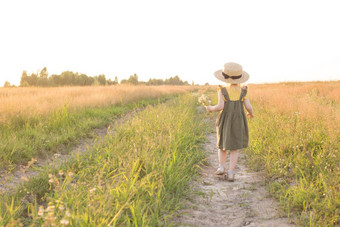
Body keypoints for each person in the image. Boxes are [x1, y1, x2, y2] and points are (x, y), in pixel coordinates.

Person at [206, 62, 254, 182]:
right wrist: (251, 113)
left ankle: (221, 167)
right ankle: (231, 173)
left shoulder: (222, 90)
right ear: (240, 77)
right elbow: (248, 106)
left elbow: (220, 106)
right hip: (238, 120)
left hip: (225, 120)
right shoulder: (243, 91)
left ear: (225, 77)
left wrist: (210, 108)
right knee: (234, 148)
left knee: (222, 144)